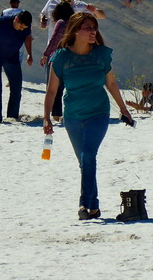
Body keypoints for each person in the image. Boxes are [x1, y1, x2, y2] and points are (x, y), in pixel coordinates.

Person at [43, 12, 134, 219]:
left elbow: (111, 83)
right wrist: (47, 117)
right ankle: (94, 207)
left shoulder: (100, 55)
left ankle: (84, 204)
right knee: (84, 162)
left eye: (94, 28)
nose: (93, 32)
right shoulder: (61, 58)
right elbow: (51, 91)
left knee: (88, 156)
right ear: (75, 31)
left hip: (98, 112)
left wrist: (123, 108)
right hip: (73, 115)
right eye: (88, 28)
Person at [0, 11, 33, 123]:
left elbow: (27, 37)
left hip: (12, 57)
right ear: (16, 19)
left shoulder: (26, 27)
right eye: (21, 26)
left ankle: (12, 117)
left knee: (17, 88)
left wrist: (29, 54)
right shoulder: (0, 23)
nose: (22, 29)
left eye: (24, 28)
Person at [40, 0, 75, 119]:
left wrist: (45, 54)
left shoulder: (61, 23)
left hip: (59, 57)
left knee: (54, 87)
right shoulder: (75, 23)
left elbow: (55, 40)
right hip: (73, 57)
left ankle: (56, 114)